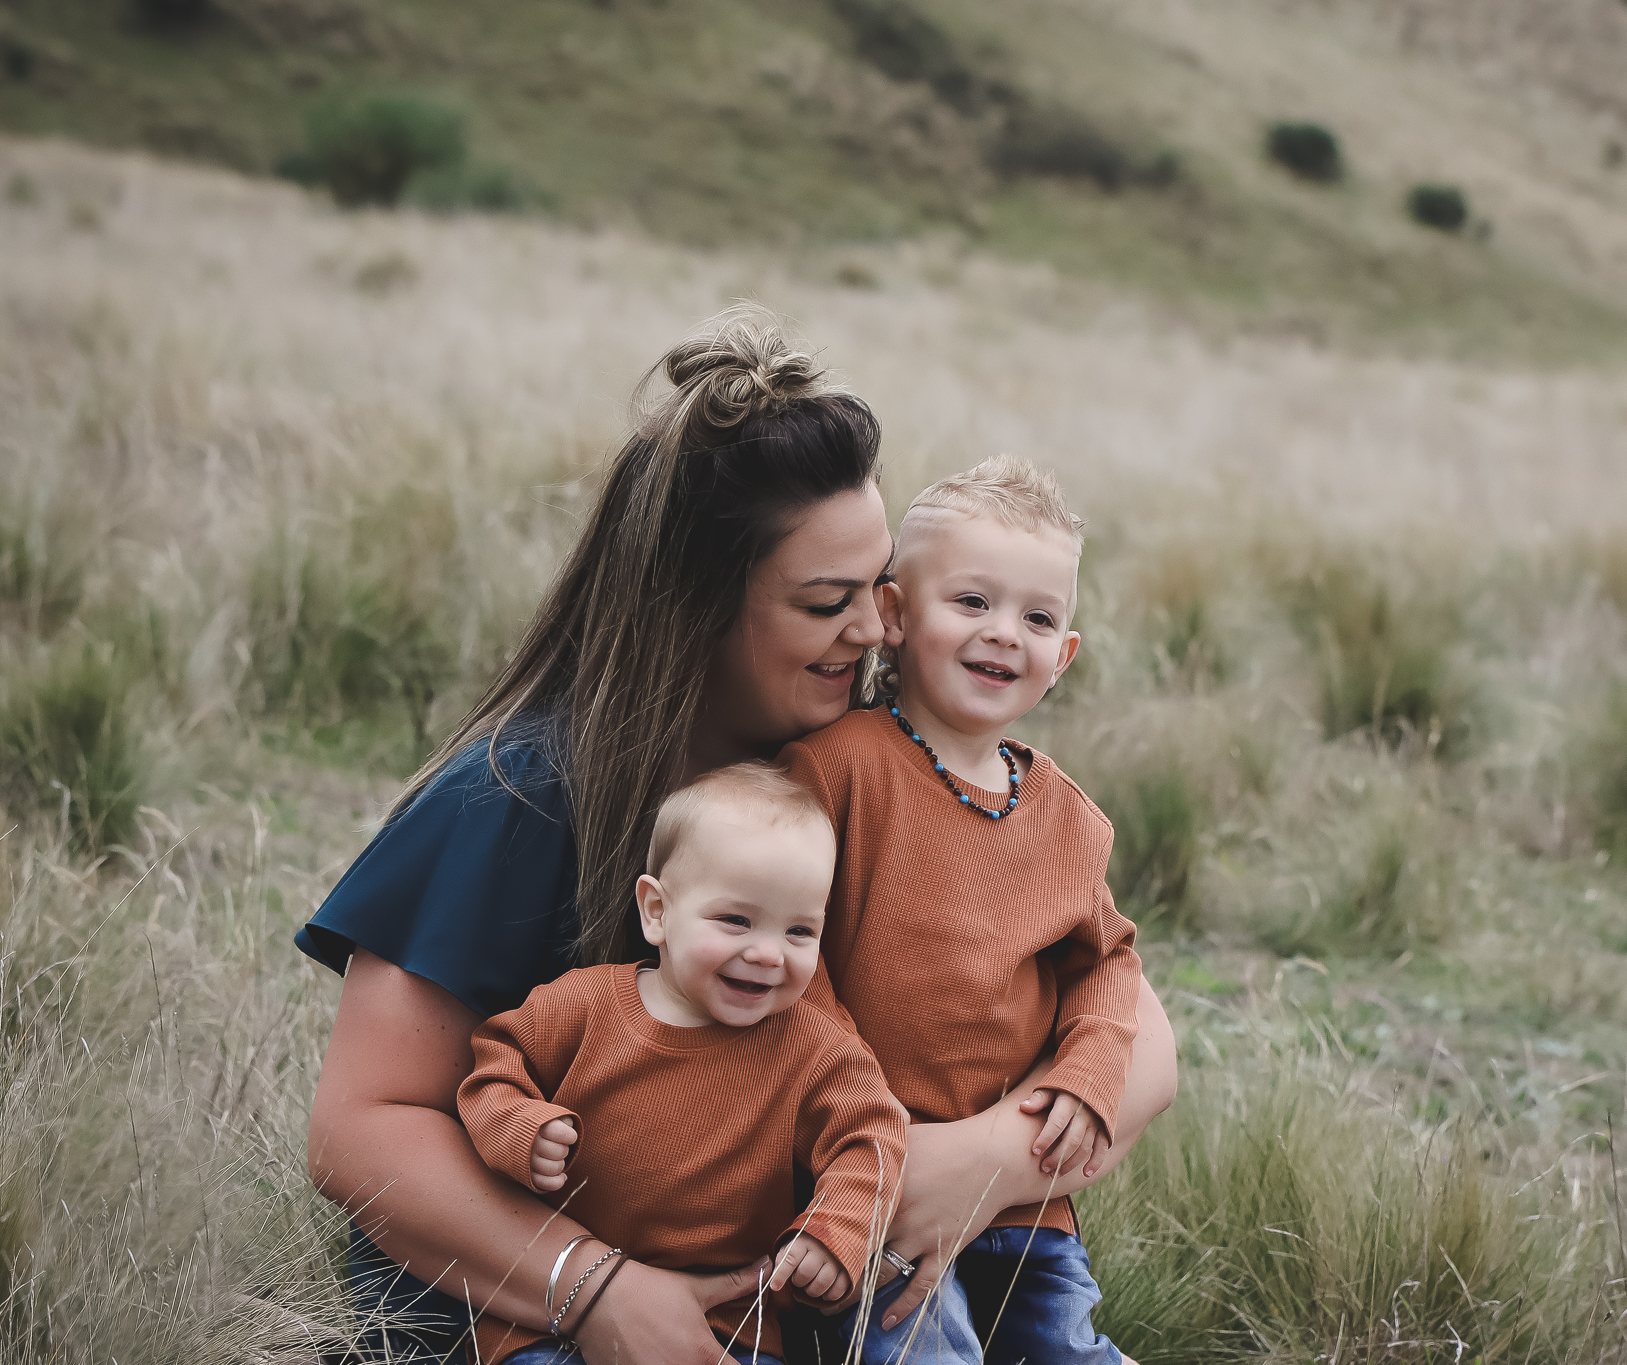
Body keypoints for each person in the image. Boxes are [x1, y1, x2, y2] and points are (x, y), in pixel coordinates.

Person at [297, 304, 1178, 1365]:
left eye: (878, 592)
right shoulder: (518, 795)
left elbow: (1142, 1042)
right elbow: (361, 1128)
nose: (870, 632)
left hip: (791, 1309)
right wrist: (598, 1291)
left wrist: (976, 1160)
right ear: (696, 604)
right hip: (517, 1322)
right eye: (824, 603)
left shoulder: (857, 769)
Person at [782, 455, 1138, 1363]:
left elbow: (1104, 960)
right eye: (972, 602)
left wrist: (1091, 1071)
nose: (1003, 635)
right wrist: (855, 1105)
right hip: (870, 1177)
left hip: (1024, 1199)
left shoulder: (1065, 814)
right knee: (921, 1351)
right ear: (894, 615)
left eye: (1037, 617)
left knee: (1064, 1348)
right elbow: (797, 951)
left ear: (1063, 658)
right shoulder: (840, 768)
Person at [457, 764, 906, 1365]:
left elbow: (873, 1136)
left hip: (727, 1323)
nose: (769, 953)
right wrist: (517, 1128)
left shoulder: (819, 1051)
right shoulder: (581, 1007)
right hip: (553, 1319)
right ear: (657, 912)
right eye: (736, 920)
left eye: (800, 931)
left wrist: (836, 1233)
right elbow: (493, 1066)